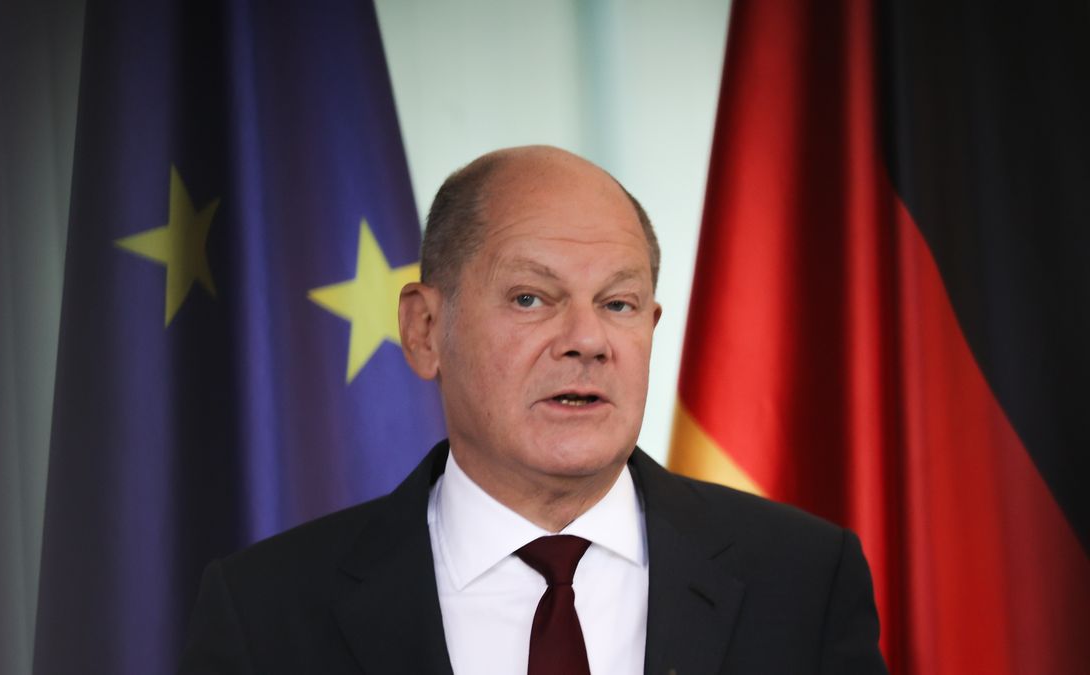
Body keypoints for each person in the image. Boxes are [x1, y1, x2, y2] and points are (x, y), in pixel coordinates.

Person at [178, 146, 888, 674]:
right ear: (425, 330)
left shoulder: (804, 581)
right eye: (530, 298)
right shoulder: (265, 612)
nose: (588, 340)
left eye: (618, 304)